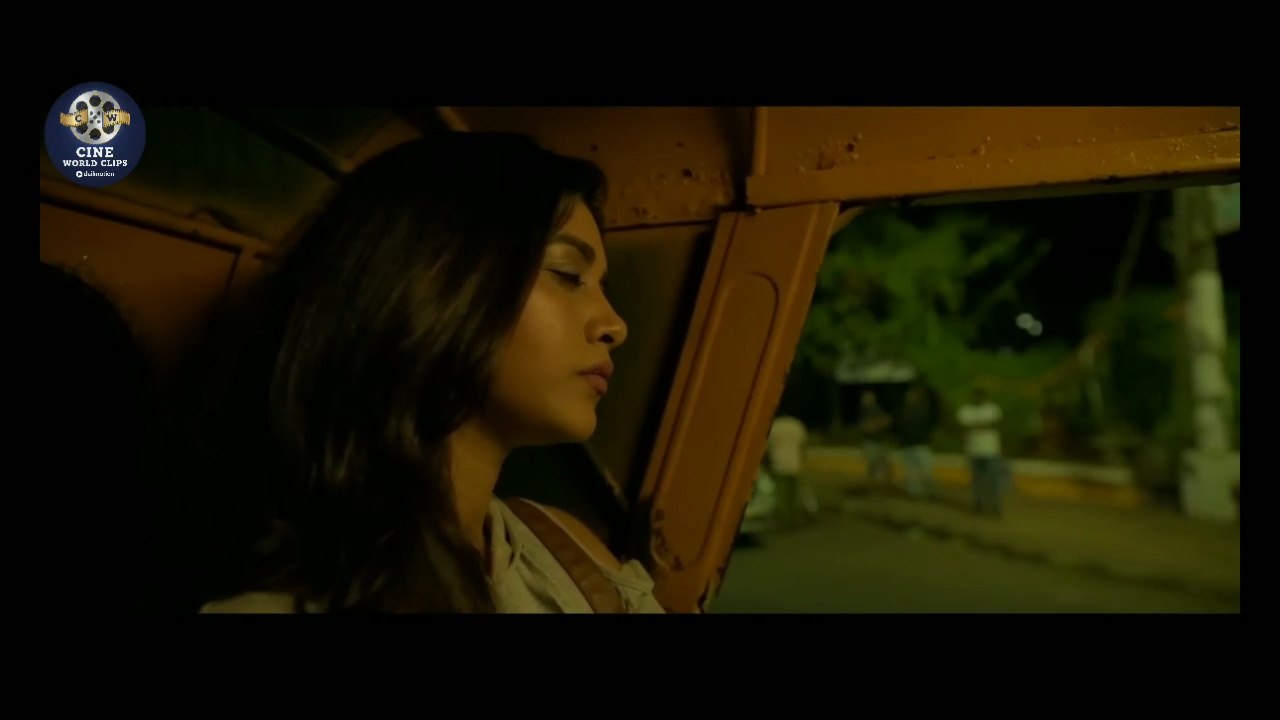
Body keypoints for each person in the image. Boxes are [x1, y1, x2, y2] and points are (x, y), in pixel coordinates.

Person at [152, 133, 665, 613]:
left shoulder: (567, 549)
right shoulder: (280, 598)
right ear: (436, 281)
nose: (614, 325)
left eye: (602, 286)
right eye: (568, 274)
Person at [956, 387, 1004, 516]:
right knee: (976, 480)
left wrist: (974, 426)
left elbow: (995, 424)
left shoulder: (992, 408)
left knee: (992, 481)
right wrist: (984, 425)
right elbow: (963, 427)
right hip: (973, 450)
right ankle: (978, 504)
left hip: (991, 451)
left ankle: (994, 506)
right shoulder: (966, 410)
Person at [766, 413, 810, 529]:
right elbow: (803, 445)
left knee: (781, 495)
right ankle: (794, 519)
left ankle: (783, 521)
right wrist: (803, 460)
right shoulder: (796, 425)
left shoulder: (775, 426)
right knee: (794, 494)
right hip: (795, 463)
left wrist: (768, 464)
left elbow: (768, 446)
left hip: (779, 464)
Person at [899, 382, 940, 501]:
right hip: (909, 446)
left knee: (926, 471)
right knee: (911, 472)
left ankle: (931, 492)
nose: (910, 398)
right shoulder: (905, 412)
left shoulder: (923, 411)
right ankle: (915, 494)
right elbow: (901, 429)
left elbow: (932, 422)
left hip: (921, 445)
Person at [859, 390, 893, 487]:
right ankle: (877, 484)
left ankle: (882, 483)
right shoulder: (864, 412)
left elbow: (887, 421)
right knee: (874, 463)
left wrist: (875, 424)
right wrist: (877, 424)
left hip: (879, 441)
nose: (865, 401)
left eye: (867, 398)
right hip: (871, 441)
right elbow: (866, 427)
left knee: (881, 462)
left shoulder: (877, 409)